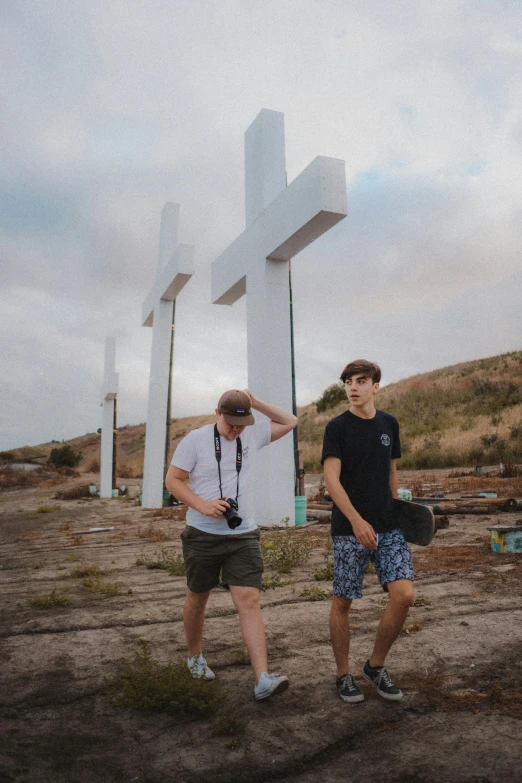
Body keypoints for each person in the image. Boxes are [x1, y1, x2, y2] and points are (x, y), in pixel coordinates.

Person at [165, 388, 297, 701]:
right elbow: (172, 480)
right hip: (203, 534)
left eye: (241, 425)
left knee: (249, 600)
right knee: (198, 596)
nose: (236, 431)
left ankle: (262, 678)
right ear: (217, 414)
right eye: (230, 425)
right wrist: (202, 505)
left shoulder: (252, 434)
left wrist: (258, 403)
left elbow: (290, 421)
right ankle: (195, 657)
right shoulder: (195, 440)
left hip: (243, 535)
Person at [321, 360, 414, 704]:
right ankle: (344, 675)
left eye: (361, 381)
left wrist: (396, 510)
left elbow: (391, 472)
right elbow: (331, 480)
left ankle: (375, 666)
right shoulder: (337, 428)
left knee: (403, 594)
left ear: (376, 385)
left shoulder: (389, 423)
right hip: (349, 528)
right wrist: (357, 521)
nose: (353, 387)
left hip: (388, 527)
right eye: (348, 381)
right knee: (343, 601)